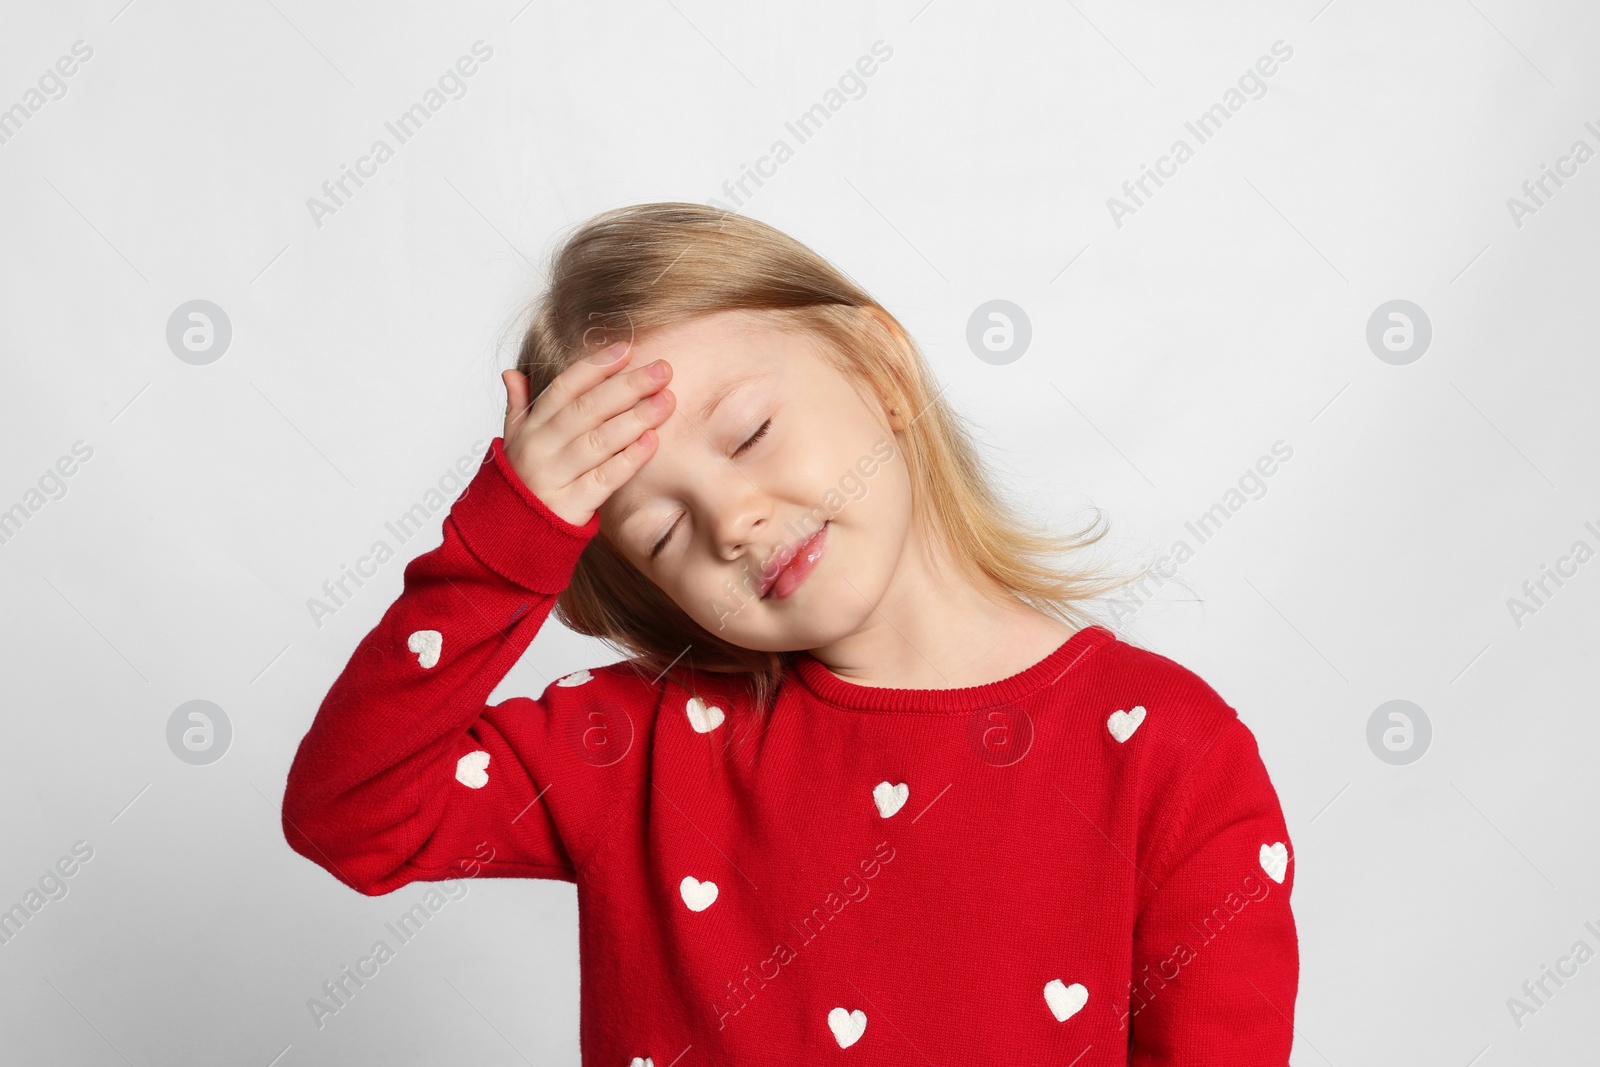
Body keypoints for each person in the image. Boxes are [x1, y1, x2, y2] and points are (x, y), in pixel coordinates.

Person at [281, 202, 1298, 1064]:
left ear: (880, 369)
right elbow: (356, 813)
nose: (732, 520)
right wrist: (510, 542)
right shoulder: (628, 747)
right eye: (664, 529)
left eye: (750, 432)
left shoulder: (1169, 749)